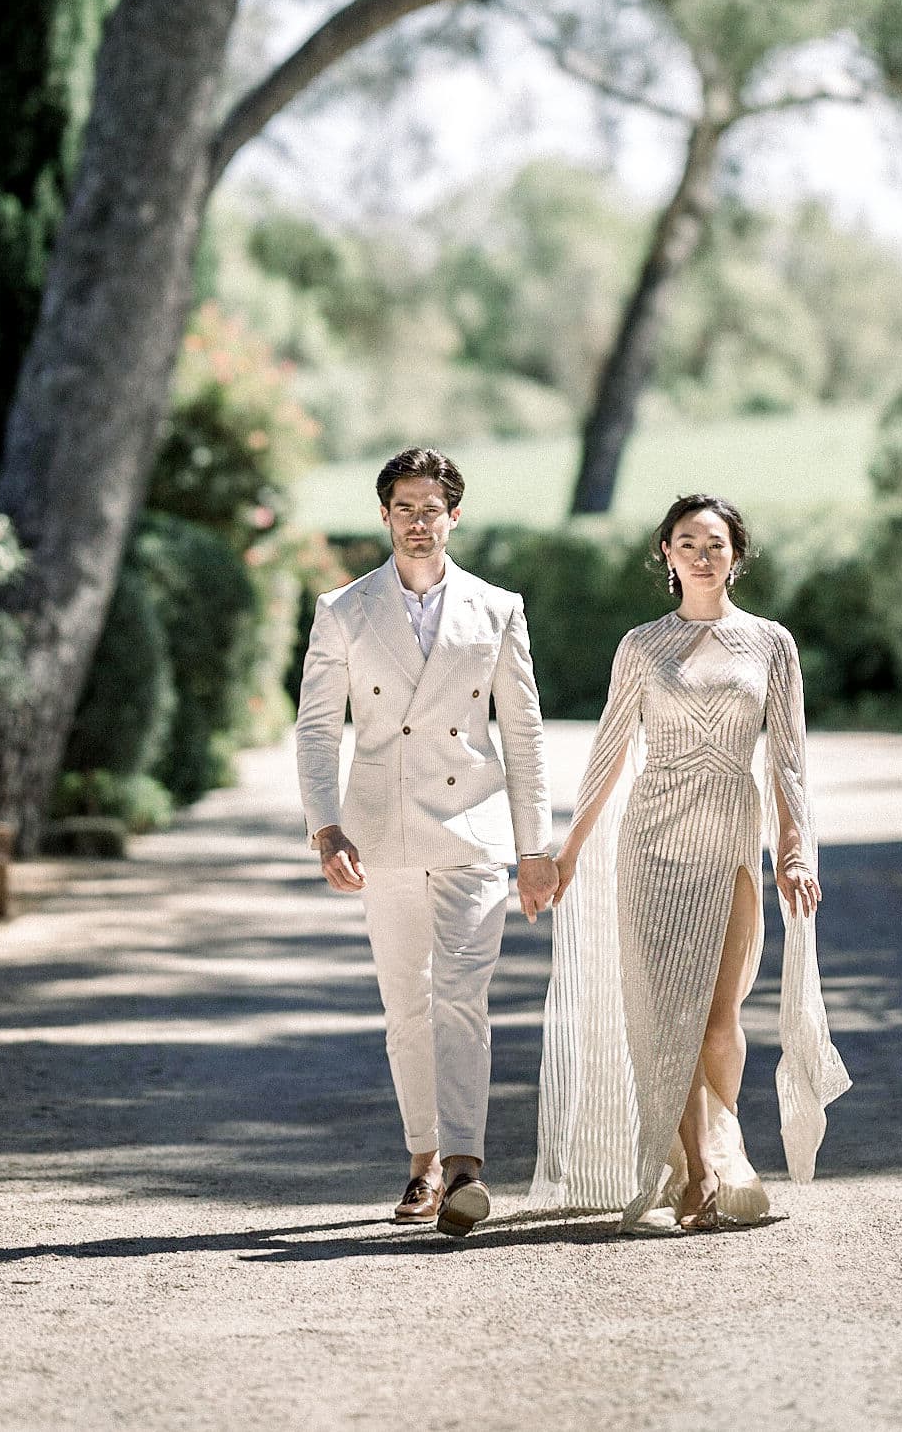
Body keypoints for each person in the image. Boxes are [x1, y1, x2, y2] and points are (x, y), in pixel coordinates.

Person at [529, 493, 849, 1231]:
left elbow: (789, 760)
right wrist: (567, 850)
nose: (701, 554)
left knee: (714, 1017)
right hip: (651, 842)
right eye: (686, 542)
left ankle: (723, 1140)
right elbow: (608, 754)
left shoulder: (771, 643)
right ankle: (697, 1174)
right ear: (665, 555)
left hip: (729, 837)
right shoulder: (641, 645)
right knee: (657, 1018)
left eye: (714, 542)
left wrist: (794, 850)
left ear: (736, 553)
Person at [296, 446, 557, 1237]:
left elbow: (524, 734)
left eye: (431, 508)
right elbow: (315, 729)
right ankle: (421, 1159)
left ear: (454, 515)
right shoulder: (342, 609)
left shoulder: (496, 607)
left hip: (472, 830)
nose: (418, 521)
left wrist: (535, 846)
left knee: (462, 998)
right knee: (406, 1002)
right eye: (404, 507)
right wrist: (325, 826)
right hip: (383, 830)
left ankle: (465, 1166)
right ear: (384, 515)